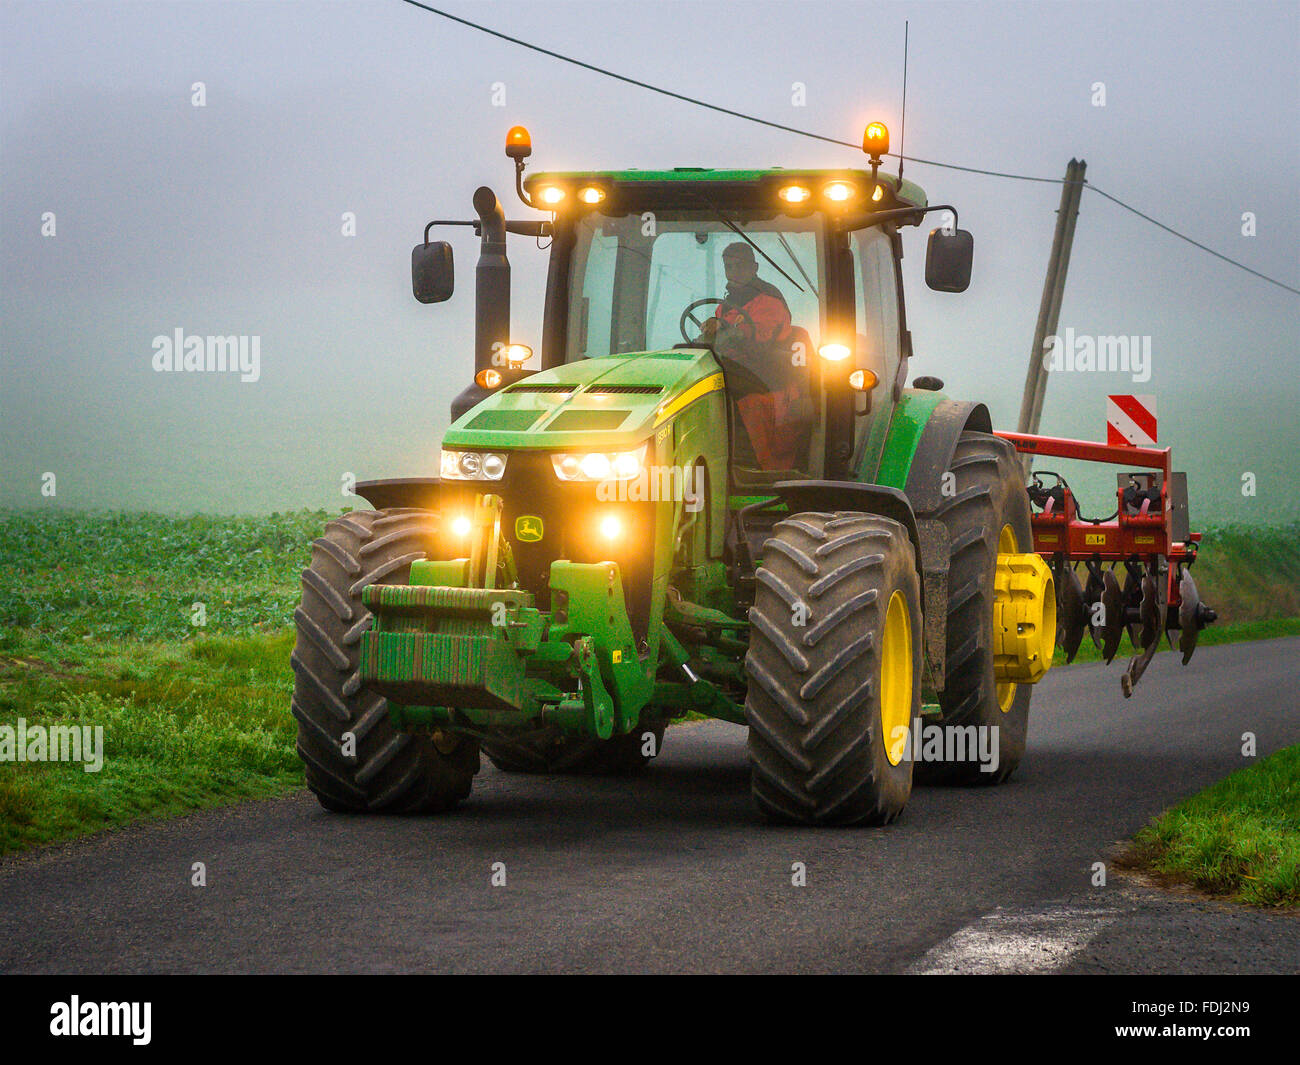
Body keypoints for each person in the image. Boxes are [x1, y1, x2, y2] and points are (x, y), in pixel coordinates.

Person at [699, 242, 810, 471]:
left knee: (727, 393)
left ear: (754, 267)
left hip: (765, 376)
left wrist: (726, 329)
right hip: (737, 369)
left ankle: (747, 465)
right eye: (729, 267)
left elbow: (760, 340)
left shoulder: (770, 301)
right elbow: (724, 336)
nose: (734, 272)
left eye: (740, 266)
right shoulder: (727, 305)